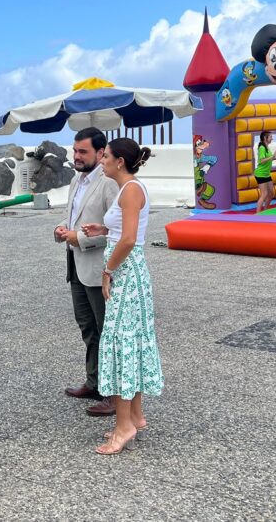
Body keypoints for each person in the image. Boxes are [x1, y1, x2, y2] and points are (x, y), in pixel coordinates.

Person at [81, 138, 163, 455]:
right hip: (128, 271)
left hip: (126, 272)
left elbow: (129, 240)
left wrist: (108, 271)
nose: (102, 161)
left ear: (119, 162)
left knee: (122, 342)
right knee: (130, 341)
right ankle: (136, 416)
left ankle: (124, 425)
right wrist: (103, 230)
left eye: (106, 157)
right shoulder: (128, 189)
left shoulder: (131, 190)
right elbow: (126, 231)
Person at [54, 128, 119, 417]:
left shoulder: (109, 184)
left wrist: (77, 238)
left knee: (107, 331)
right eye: (75, 150)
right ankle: (94, 382)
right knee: (88, 328)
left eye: (83, 152)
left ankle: (115, 395)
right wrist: (61, 229)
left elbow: (118, 231)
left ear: (101, 152)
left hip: (98, 268)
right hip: (76, 266)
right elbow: (75, 218)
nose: (76, 156)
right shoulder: (75, 181)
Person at [254, 131, 276, 213]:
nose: (272, 139)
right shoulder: (262, 148)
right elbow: (262, 160)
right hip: (260, 174)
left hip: (267, 174)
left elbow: (268, 158)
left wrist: (274, 158)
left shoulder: (267, 147)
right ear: (265, 138)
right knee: (264, 194)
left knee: (271, 193)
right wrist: (273, 156)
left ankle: (265, 210)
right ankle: (258, 213)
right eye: (270, 137)